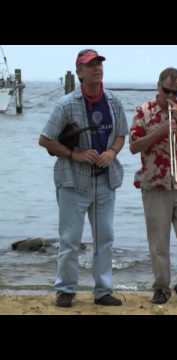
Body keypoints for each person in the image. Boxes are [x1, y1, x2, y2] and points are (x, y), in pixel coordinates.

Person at [39, 49, 129, 307]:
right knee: (70, 239)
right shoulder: (66, 104)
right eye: (90, 66)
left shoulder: (114, 102)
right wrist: (73, 154)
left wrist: (112, 152)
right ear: (79, 72)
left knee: (106, 237)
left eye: (99, 64)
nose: (97, 69)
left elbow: (122, 134)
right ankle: (66, 289)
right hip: (72, 182)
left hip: (105, 181)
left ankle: (102, 291)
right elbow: (45, 139)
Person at [129, 67, 177, 304]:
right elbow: (134, 146)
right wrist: (160, 132)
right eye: (166, 91)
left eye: (175, 92)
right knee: (159, 242)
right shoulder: (144, 111)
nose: (171, 97)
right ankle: (161, 287)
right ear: (158, 87)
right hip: (154, 184)